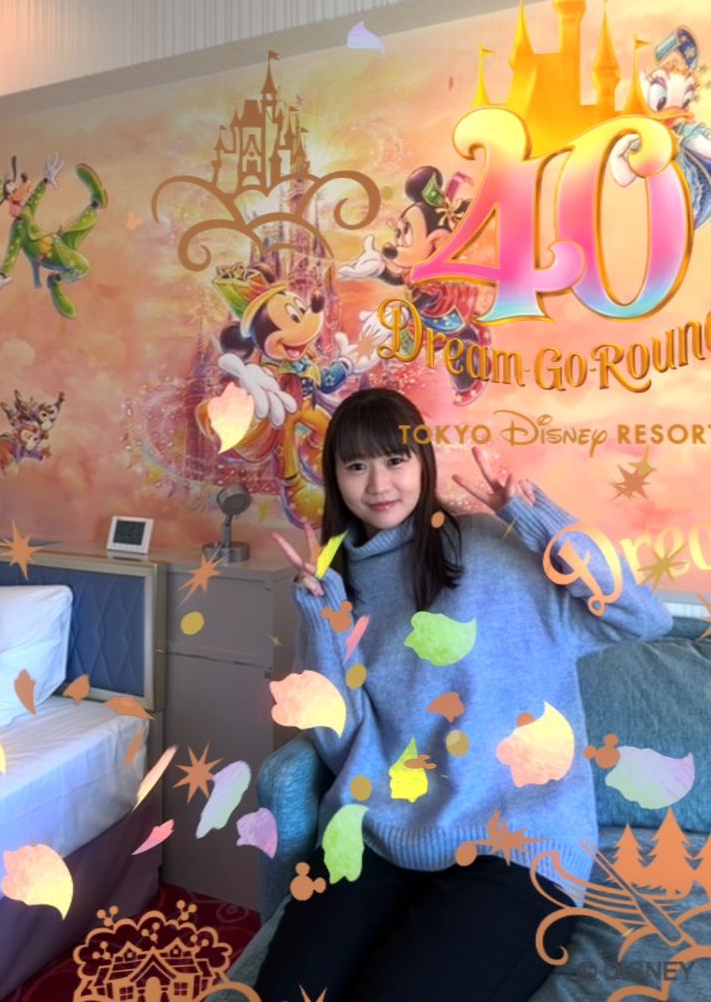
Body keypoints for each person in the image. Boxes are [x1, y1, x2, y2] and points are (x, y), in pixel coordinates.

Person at [260, 387, 672, 1002]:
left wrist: (535, 519)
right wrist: (323, 621)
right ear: (336, 480)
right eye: (356, 465)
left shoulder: (492, 545)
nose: (379, 483)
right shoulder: (337, 584)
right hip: (379, 836)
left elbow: (642, 616)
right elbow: (340, 743)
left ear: (422, 462)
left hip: (518, 848)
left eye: (395, 459)